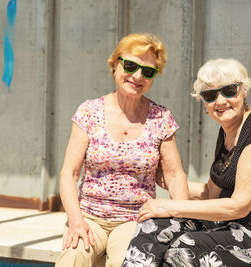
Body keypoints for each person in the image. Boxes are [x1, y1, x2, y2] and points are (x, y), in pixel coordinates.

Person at [122, 58, 251, 267]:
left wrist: (170, 206)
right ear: (203, 103)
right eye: (210, 95)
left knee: (178, 253)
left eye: (229, 91)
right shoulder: (228, 132)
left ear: (243, 91)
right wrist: (162, 179)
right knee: (152, 226)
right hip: (232, 227)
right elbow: (210, 193)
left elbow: (239, 206)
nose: (220, 101)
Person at [55, 33, 189, 267]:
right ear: (115, 65)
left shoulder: (161, 118)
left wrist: (182, 220)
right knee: (72, 259)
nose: (138, 76)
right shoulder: (89, 112)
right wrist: (75, 221)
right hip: (89, 217)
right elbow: (69, 173)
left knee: (126, 263)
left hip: (136, 220)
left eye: (148, 71)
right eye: (130, 65)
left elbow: (175, 175)